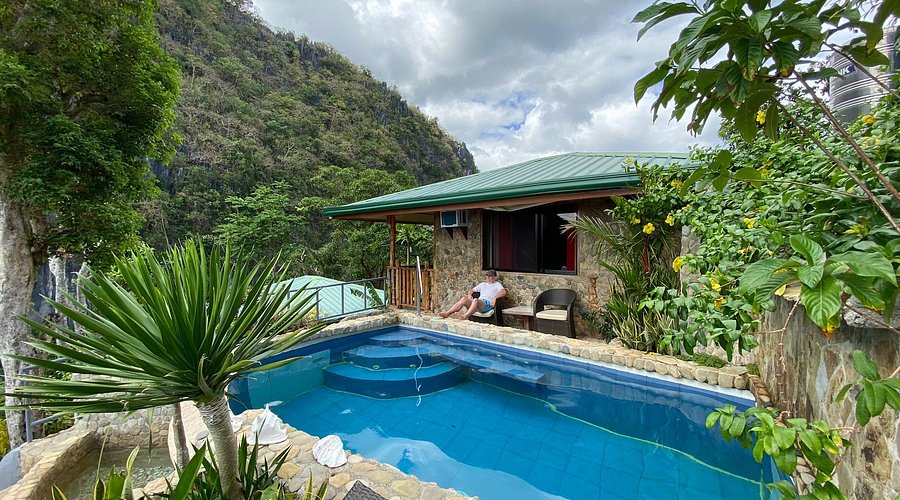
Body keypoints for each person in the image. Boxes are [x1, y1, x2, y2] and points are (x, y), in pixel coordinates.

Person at [439, 269, 507, 320]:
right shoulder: (482, 284)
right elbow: (471, 290)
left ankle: (464, 316)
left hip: (487, 304)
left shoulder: (497, 284)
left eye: (490, 276)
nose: (488, 277)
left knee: (475, 300)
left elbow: (503, 292)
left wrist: (494, 298)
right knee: (464, 299)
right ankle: (447, 313)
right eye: (487, 276)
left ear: (494, 277)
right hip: (478, 302)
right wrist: (469, 295)